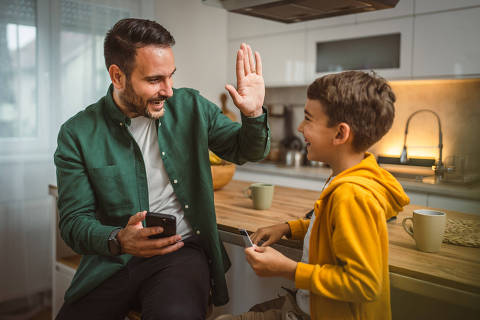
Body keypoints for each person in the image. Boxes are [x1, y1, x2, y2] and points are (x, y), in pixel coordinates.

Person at [54, 18, 270, 320]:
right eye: (155, 80)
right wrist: (118, 239)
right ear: (118, 76)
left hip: (180, 251)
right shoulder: (77, 133)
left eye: (171, 77)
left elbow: (246, 150)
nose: (169, 90)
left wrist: (253, 113)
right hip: (112, 259)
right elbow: (74, 223)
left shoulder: (191, 106)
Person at [222, 71, 410, 320]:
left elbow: (364, 284)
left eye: (308, 119)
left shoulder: (351, 195)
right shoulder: (347, 177)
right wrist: (289, 228)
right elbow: (332, 227)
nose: (300, 128)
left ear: (340, 134)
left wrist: (288, 269)